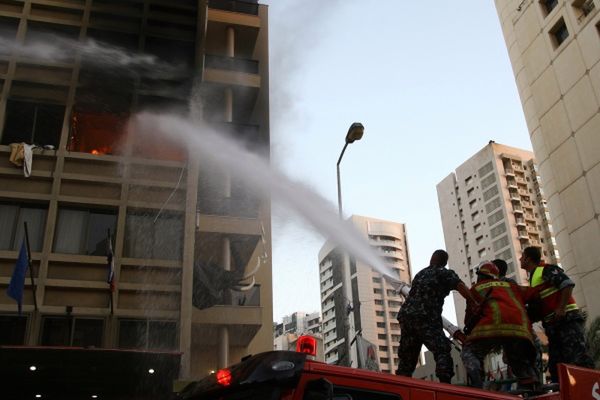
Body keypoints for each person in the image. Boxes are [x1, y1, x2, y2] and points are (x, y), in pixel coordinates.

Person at [396, 249, 478, 383]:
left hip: (407, 318)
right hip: (426, 318)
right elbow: (460, 286)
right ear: (444, 262)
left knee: (407, 357)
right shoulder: (444, 273)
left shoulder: (420, 274)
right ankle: (445, 385)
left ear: (431, 259)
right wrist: (473, 302)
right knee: (442, 350)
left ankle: (400, 386)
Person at [461, 262, 540, 391]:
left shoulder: (476, 289)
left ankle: (477, 384)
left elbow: (468, 319)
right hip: (519, 330)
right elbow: (535, 294)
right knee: (515, 353)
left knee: (469, 352)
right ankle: (529, 380)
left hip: (490, 328)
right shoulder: (512, 286)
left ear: (480, 276)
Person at [520, 246, 594, 382]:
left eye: (522, 256)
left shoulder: (545, 269)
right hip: (553, 326)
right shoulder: (534, 278)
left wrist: (561, 308)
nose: (520, 259)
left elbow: (567, 284)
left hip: (567, 321)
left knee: (578, 359)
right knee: (556, 367)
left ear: (528, 258)